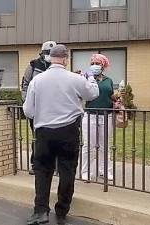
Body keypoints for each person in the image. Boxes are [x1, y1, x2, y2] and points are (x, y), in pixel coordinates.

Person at [23, 44, 99, 225]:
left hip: (44, 132)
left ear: (49, 58)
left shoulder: (37, 81)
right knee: (67, 171)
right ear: (66, 59)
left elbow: (28, 111)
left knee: (42, 171)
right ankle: (62, 210)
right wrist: (91, 77)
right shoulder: (75, 79)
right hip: (68, 131)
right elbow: (92, 94)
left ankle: (40, 211)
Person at [21, 40, 57, 175]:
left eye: (51, 53)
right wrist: (27, 102)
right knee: (38, 138)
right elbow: (25, 84)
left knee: (53, 137)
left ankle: (53, 164)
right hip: (36, 108)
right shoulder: (33, 65)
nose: (49, 55)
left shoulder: (56, 66)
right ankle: (36, 164)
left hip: (52, 109)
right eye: (47, 53)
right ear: (42, 53)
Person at [81, 54, 118, 182]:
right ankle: (86, 172)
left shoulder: (109, 80)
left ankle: (105, 171)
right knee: (89, 146)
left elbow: (111, 95)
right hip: (91, 115)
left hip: (106, 116)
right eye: (92, 63)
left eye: (97, 63)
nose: (95, 66)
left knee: (104, 146)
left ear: (103, 65)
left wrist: (117, 101)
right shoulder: (86, 78)